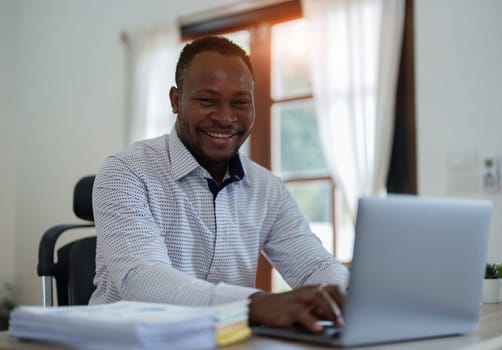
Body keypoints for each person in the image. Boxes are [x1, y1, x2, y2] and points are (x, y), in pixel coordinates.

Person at [90, 35, 349, 332]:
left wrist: (345, 297)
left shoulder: (267, 189)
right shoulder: (125, 171)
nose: (226, 118)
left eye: (240, 103)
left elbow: (315, 267)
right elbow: (143, 279)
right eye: (207, 101)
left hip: (227, 341)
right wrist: (256, 305)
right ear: (176, 101)